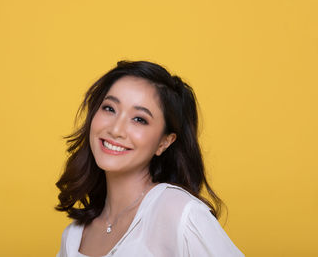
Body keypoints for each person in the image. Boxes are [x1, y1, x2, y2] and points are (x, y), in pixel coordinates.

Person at [55, 60, 244, 257]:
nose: (116, 129)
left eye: (139, 119)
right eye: (110, 108)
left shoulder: (179, 213)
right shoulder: (73, 235)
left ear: (164, 142)